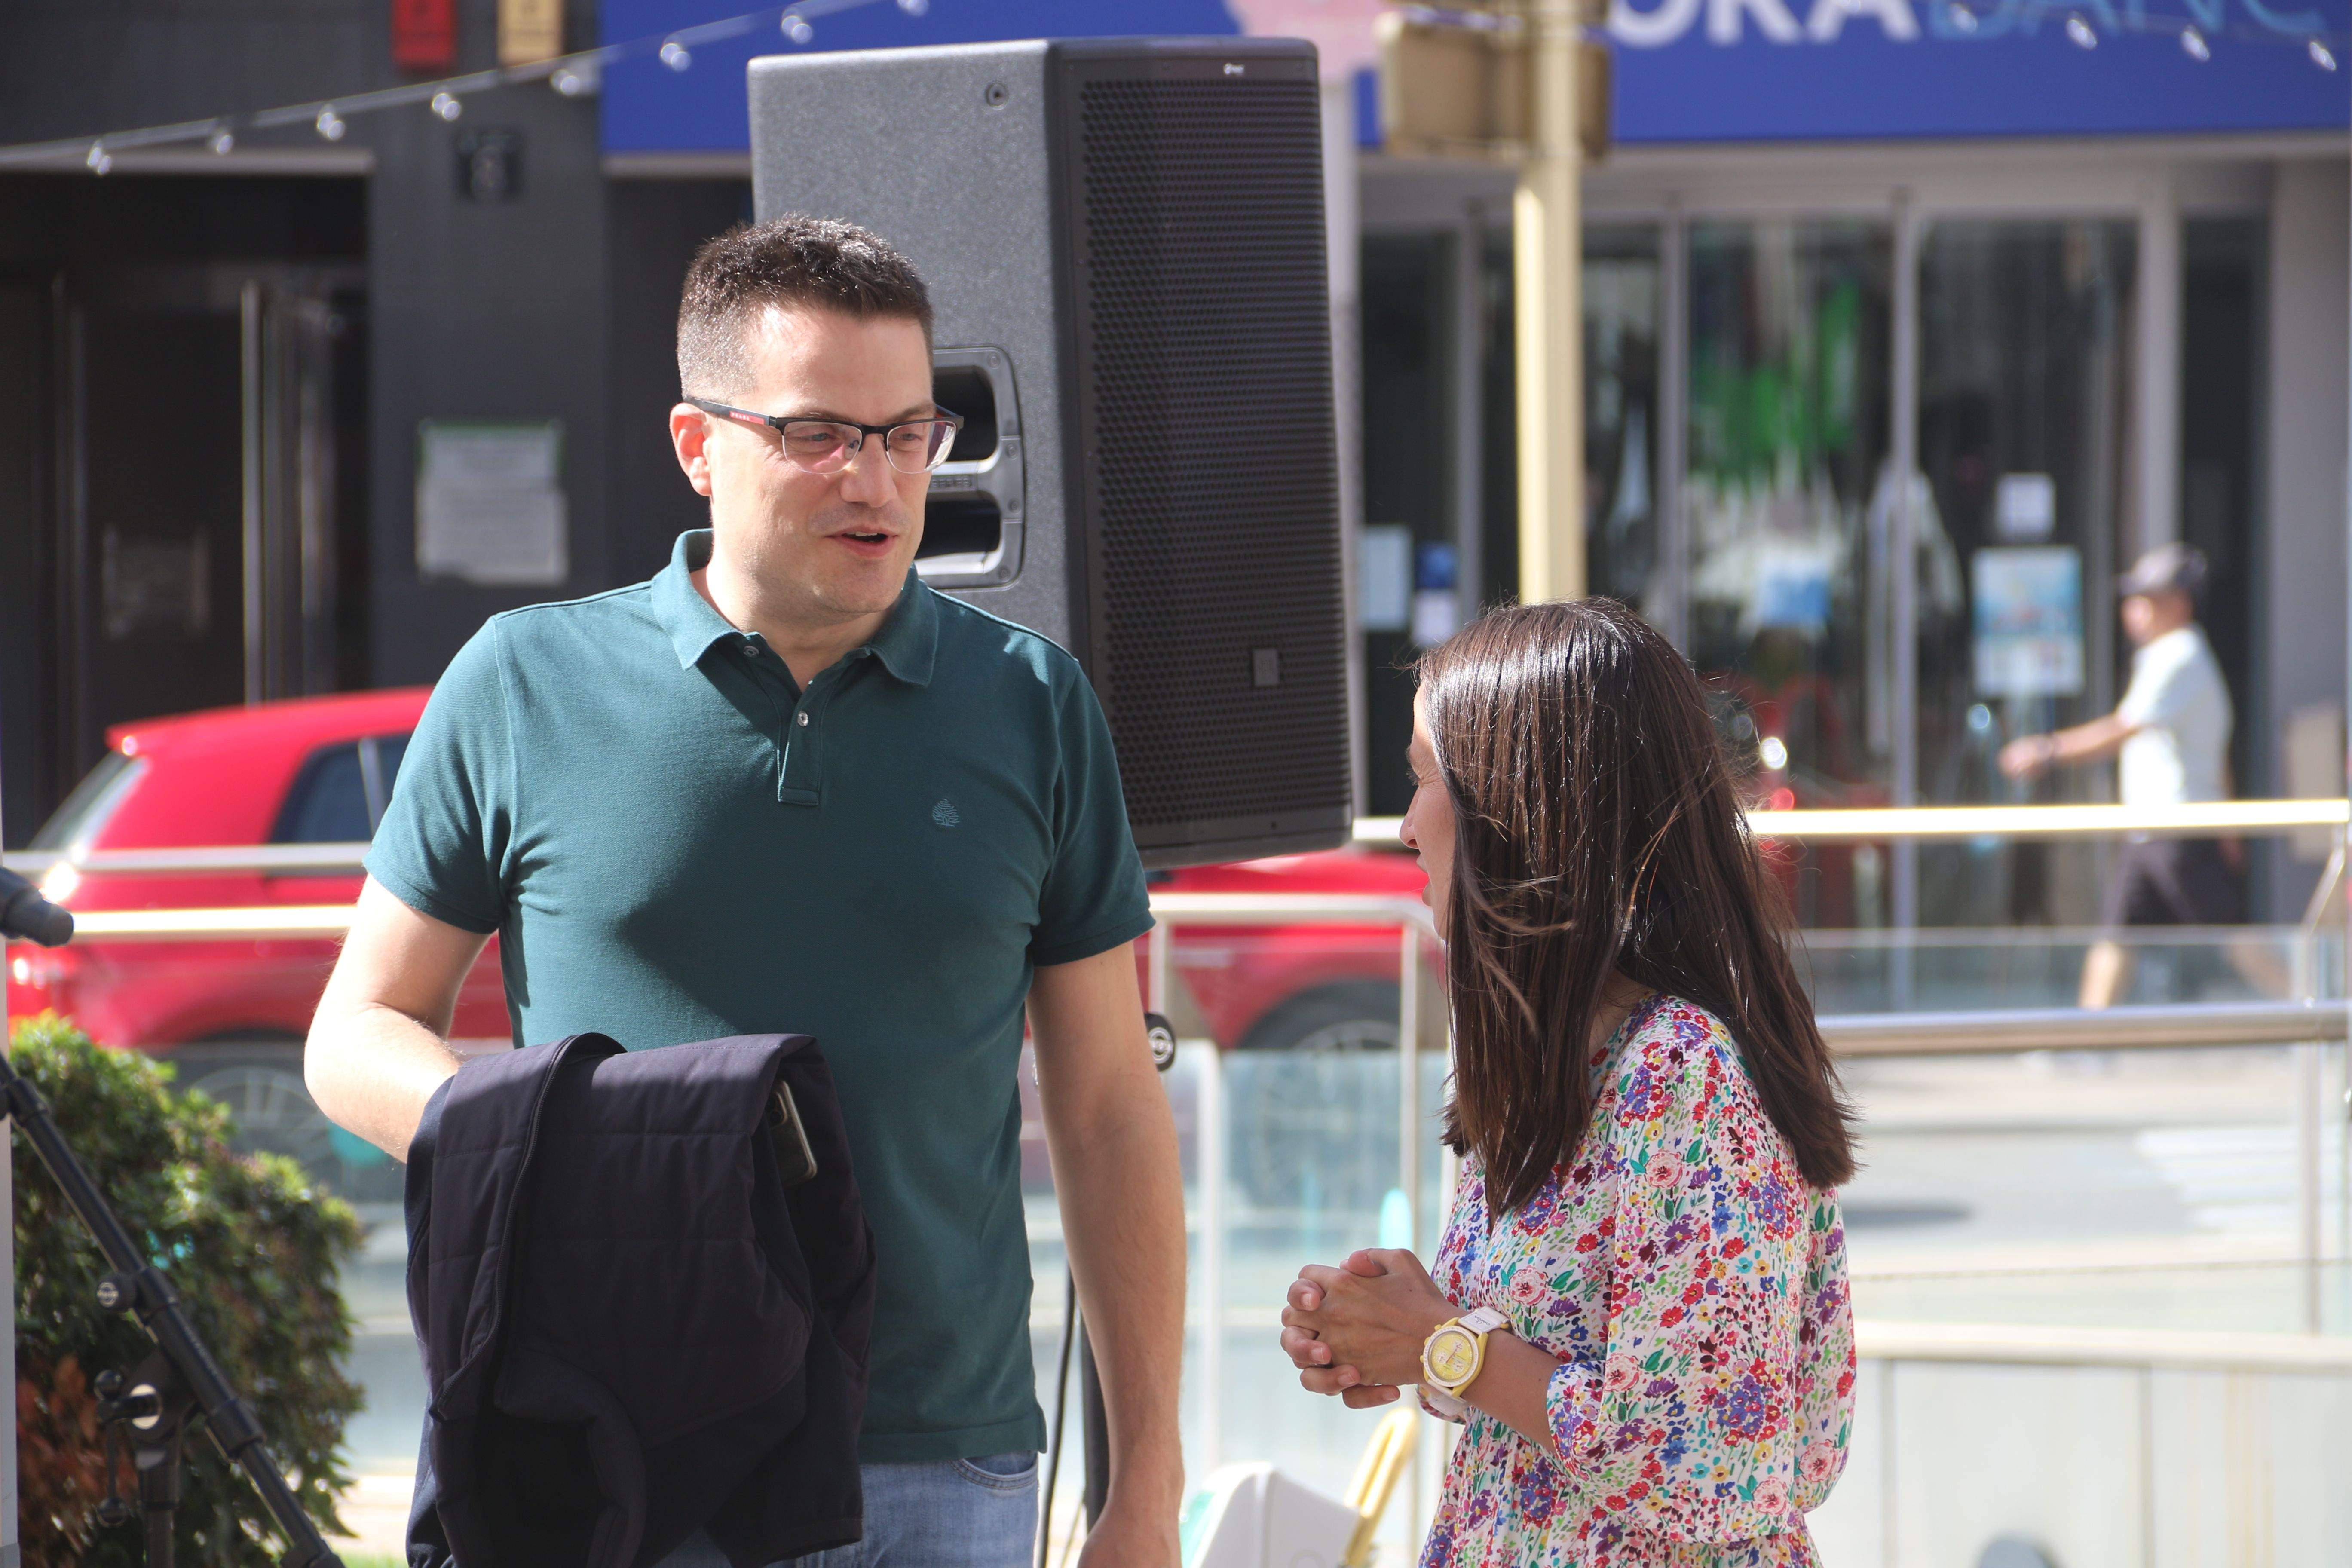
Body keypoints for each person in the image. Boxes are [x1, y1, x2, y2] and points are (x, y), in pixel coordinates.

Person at [305, 215, 1186, 1568]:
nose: (878, 480)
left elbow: (1113, 1108)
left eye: (909, 433)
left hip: (946, 1458)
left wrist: (1149, 1482)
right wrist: (570, 1140)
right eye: (821, 434)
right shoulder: (522, 680)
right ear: (697, 444)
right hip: (619, 1449)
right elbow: (353, 1034)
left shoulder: (1032, 701)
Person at [1280, 600, 1856, 1564]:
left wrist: (1443, 1343)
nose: (1410, 826)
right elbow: (1548, 1391)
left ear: (1524, 814)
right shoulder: (1556, 1058)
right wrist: (1393, 1329)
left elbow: (1708, 1471)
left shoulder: (1686, 1075)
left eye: (1428, 781)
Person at [1999, 542, 2254, 1008]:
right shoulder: (2173, 656)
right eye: (2133, 599)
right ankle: (2087, 1041)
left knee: (2231, 938)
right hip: (2157, 828)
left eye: (2148, 599)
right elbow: (2216, 757)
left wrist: (2047, 748)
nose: (2134, 610)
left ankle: (2313, 1011)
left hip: (2179, 829)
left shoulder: (2180, 653)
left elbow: (2123, 728)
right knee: (2116, 935)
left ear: (2179, 603)